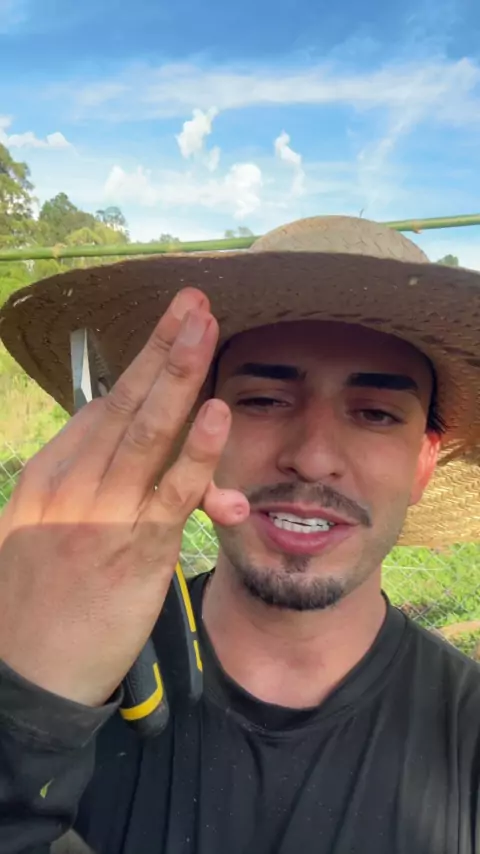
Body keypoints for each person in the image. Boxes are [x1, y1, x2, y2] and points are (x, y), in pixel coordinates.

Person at [0, 215, 479, 854]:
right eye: (264, 400)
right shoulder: (52, 676)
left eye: (374, 413)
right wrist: (25, 719)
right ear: (198, 429)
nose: (312, 458)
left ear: (422, 462)